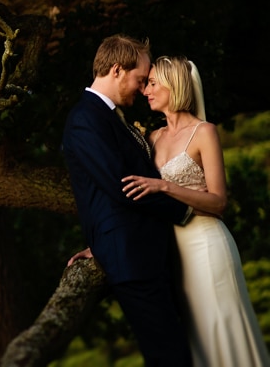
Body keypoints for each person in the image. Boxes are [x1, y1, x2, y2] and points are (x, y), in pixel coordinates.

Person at [120, 56, 270, 366]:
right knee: (195, 338)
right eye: (146, 83)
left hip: (206, 246)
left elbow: (218, 202)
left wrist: (166, 187)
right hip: (173, 252)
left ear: (173, 86)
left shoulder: (204, 132)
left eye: (152, 83)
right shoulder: (153, 138)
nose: (145, 89)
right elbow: (138, 198)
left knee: (220, 328)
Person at [62, 34, 192, 366]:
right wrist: (187, 207)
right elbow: (124, 187)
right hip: (133, 260)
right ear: (117, 70)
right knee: (169, 356)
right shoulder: (85, 119)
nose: (142, 87)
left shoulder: (107, 116)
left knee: (177, 349)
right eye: (139, 79)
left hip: (144, 253)